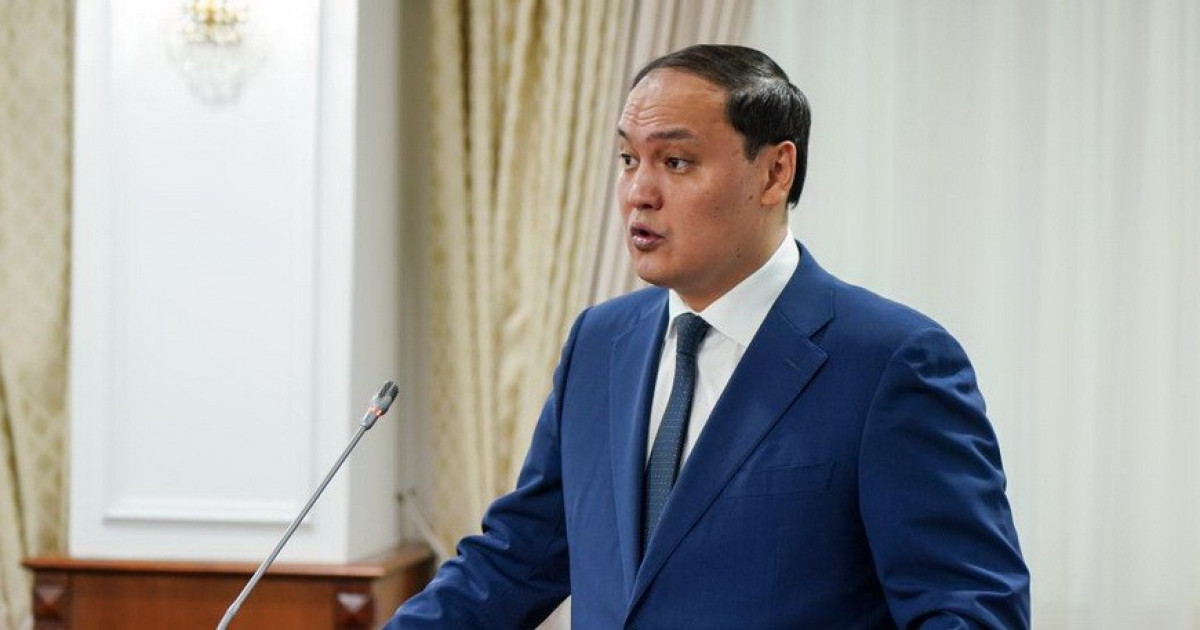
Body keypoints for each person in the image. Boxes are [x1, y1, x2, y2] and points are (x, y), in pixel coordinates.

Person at [385, 44, 1030, 629]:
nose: (639, 193)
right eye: (628, 159)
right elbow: (516, 559)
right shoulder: (599, 343)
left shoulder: (892, 361)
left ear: (774, 173)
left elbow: (971, 613)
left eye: (676, 161)